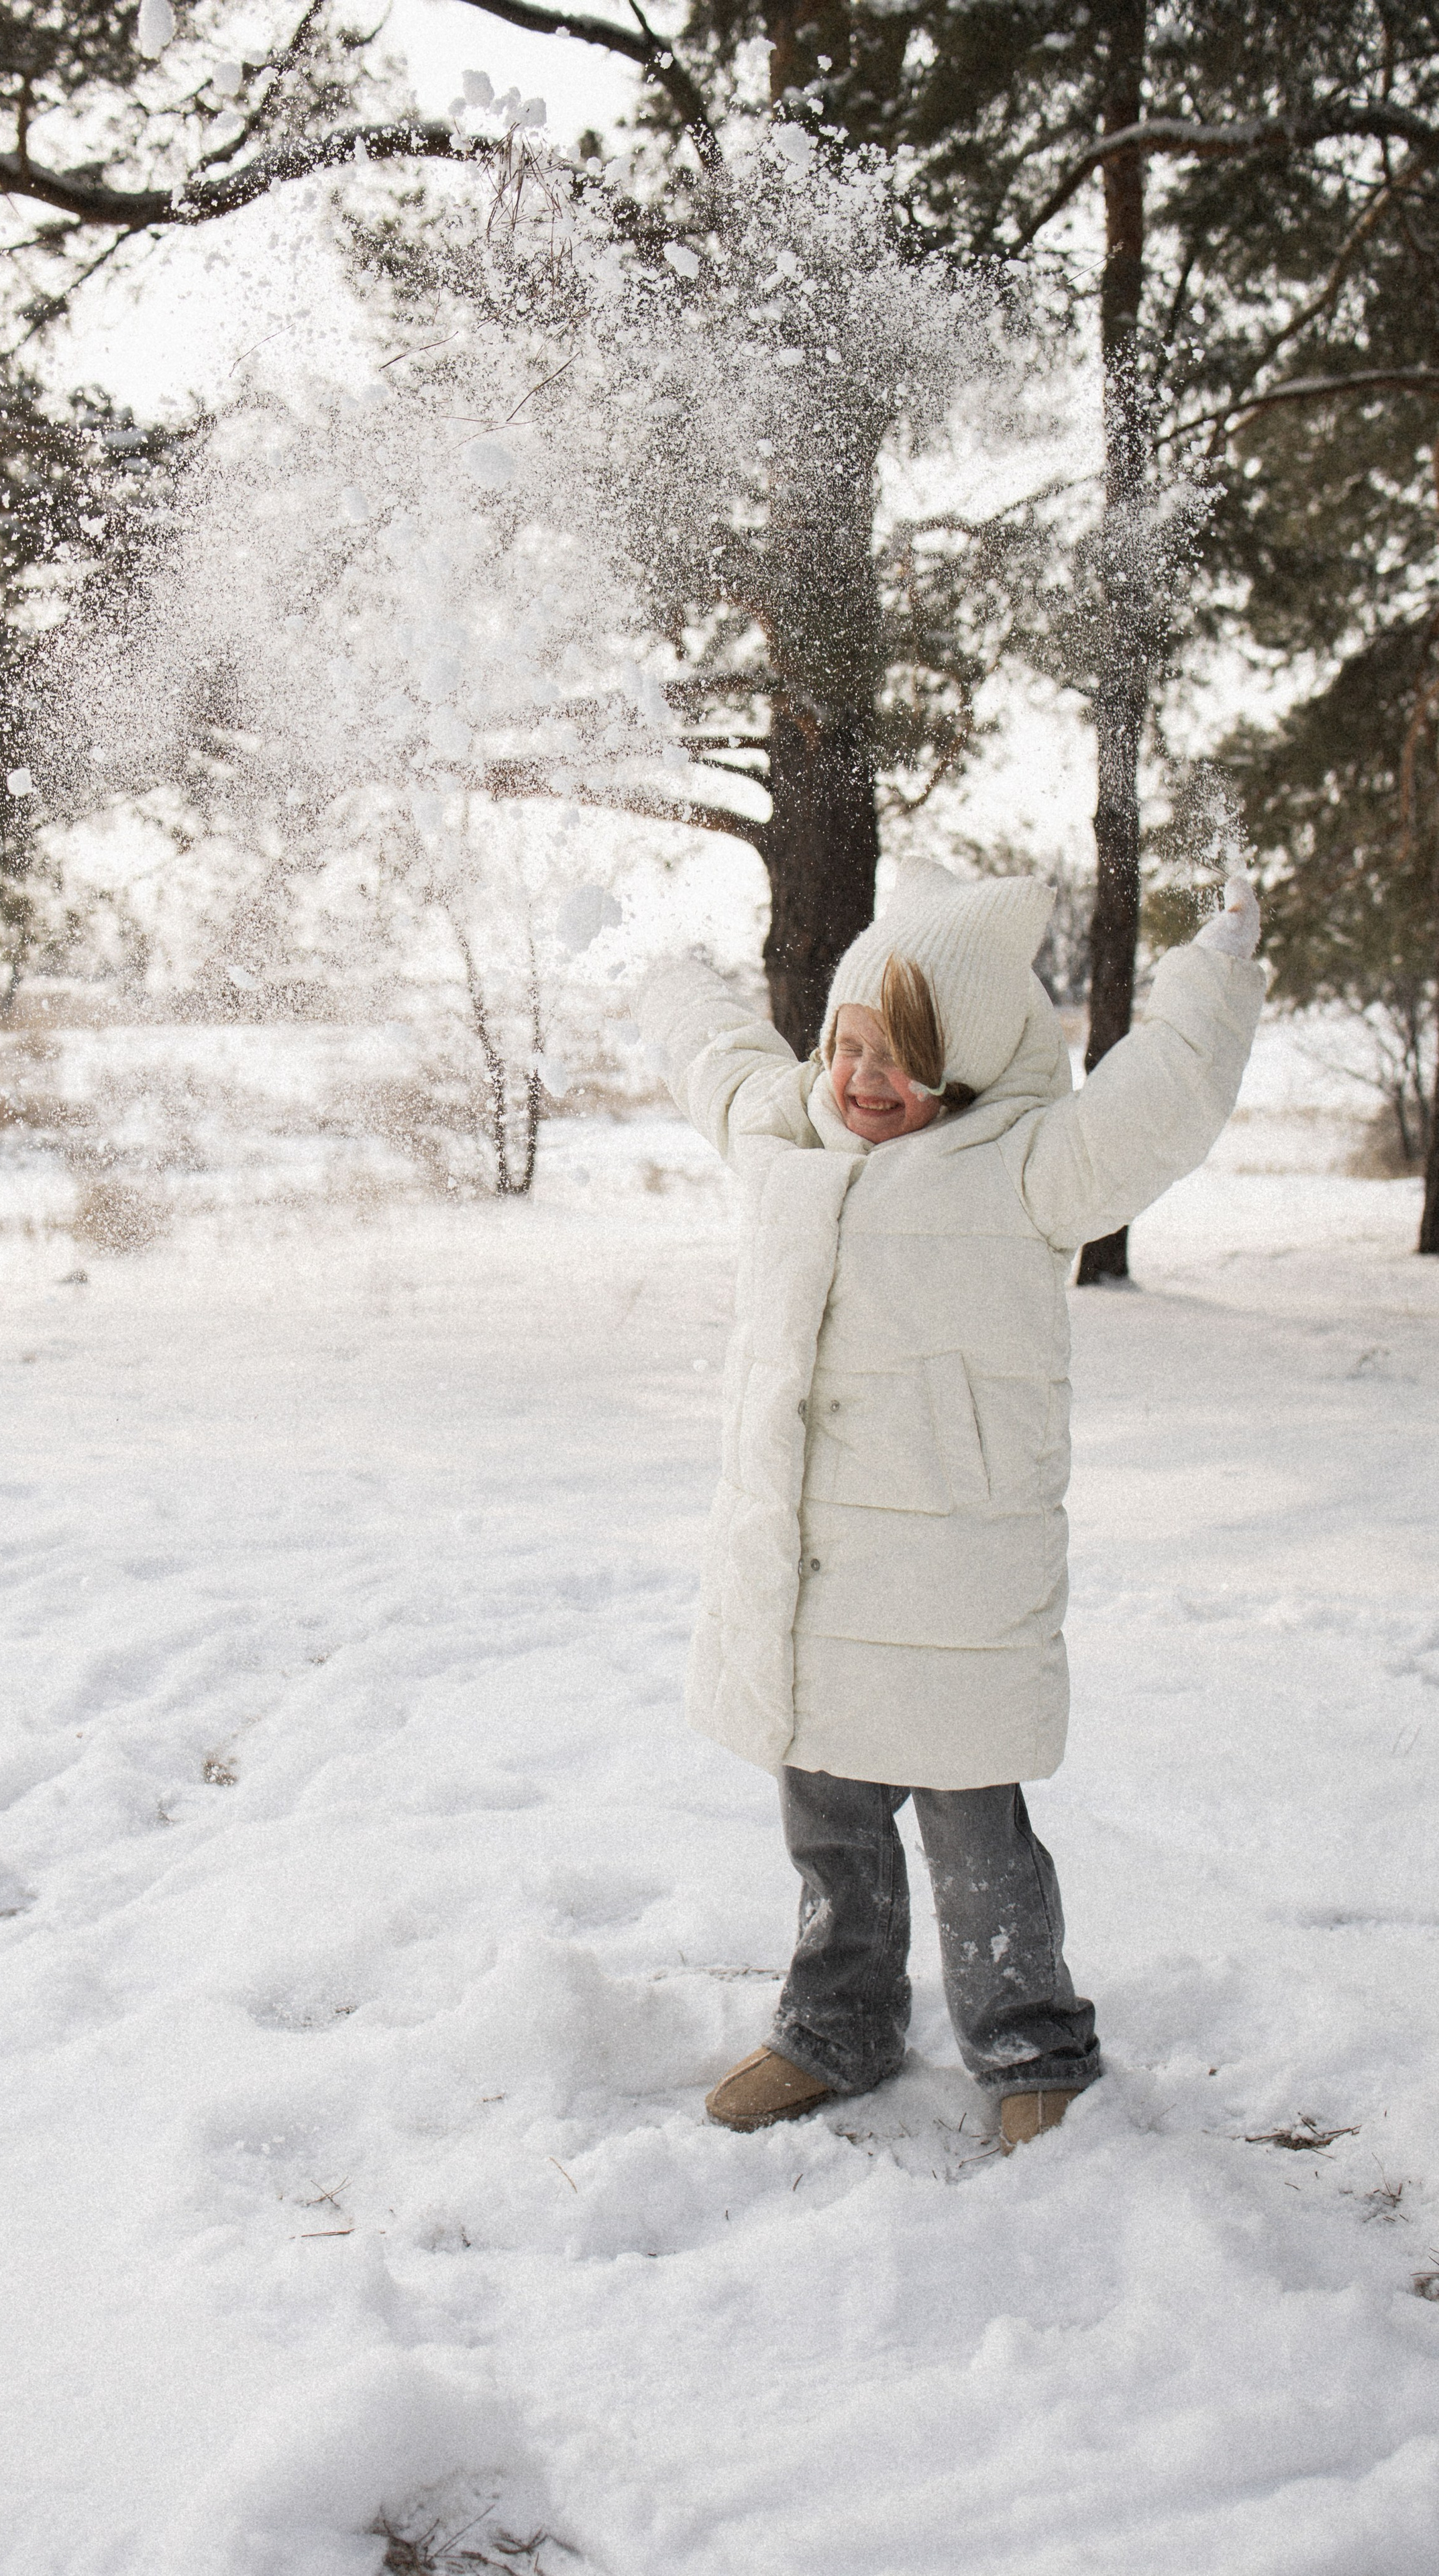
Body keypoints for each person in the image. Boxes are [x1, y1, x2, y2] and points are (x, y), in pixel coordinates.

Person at [636, 859, 1264, 2151]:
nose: (863, 1077)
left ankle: (1030, 2039)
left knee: (981, 1841)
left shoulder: (1028, 1167)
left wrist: (1215, 968)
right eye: (849, 1044)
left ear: (966, 1070)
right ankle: (837, 2027)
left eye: (903, 1058)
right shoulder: (782, 1134)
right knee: (831, 1835)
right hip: (801, 1569)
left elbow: (1162, 1100)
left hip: (955, 1588)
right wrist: (660, 963)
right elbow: (712, 1054)